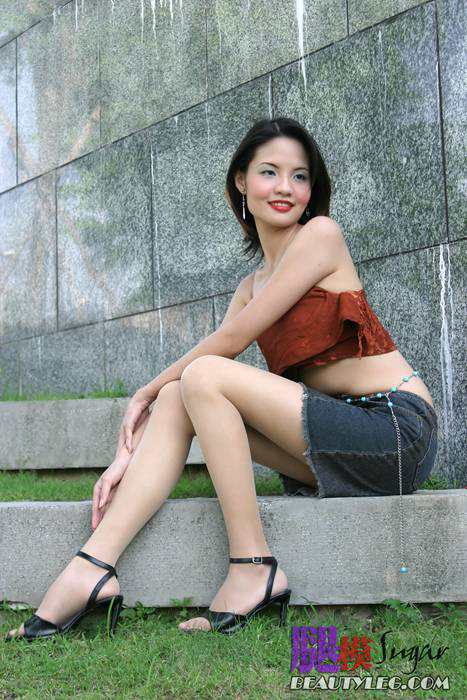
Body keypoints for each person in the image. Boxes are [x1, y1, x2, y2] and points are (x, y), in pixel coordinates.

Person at [5, 117, 438, 640]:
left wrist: (142, 391)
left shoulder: (321, 236)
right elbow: (203, 369)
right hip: (333, 442)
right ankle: (91, 568)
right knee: (179, 394)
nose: (285, 187)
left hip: (393, 432)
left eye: (300, 176)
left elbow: (227, 345)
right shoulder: (250, 287)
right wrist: (127, 454)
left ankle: (253, 567)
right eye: (269, 172)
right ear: (241, 182)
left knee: (203, 375)